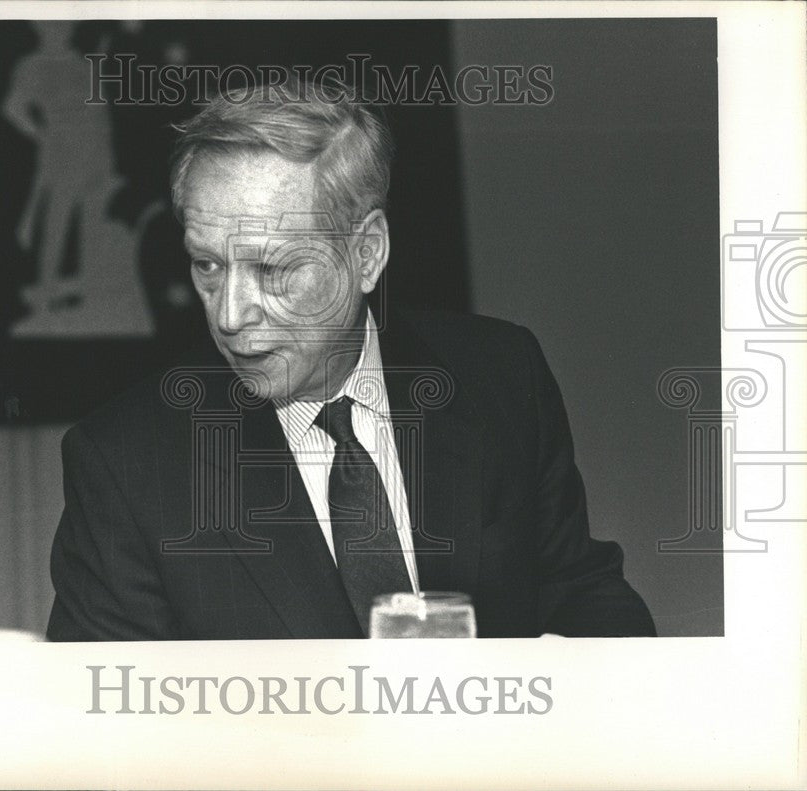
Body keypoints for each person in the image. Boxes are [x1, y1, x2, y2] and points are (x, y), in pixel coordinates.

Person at [46, 76, 655, 640]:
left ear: (366, 253)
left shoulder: (500, 375)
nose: (229, 314)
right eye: (208, 265)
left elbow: (581, 591)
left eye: (274, 268)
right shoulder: (124, 467)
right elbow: (104, 728)